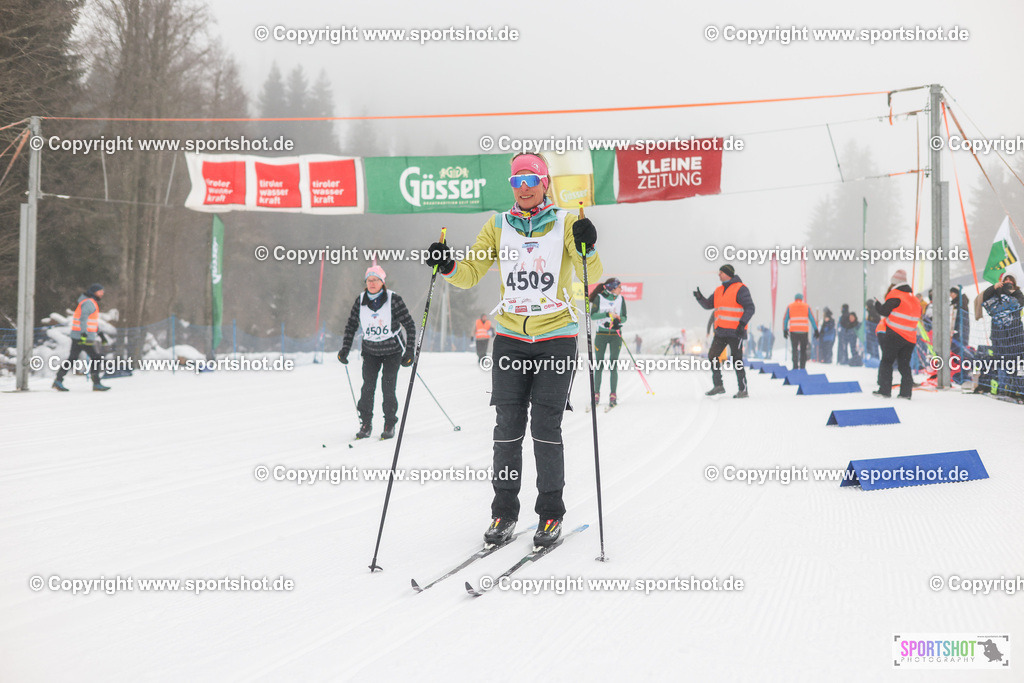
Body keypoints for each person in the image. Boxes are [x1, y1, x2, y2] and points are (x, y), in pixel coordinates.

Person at [423, 152, 602, 549]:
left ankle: (550, 513)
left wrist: (587, 245)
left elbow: (592, 272)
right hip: (510, 339)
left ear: (545, 183)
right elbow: (470, 273)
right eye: (516, 181)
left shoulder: (566, 222)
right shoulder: (497, 225)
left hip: (556, 338)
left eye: (530, 180)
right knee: (506, 429)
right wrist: (447, 265)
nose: (523, 188)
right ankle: (504, 512)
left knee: (545, 427)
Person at [337, 266, 416, 440]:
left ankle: (389, 424)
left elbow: (409, 325)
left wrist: (410, 351)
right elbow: (351, 326)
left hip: (392, 351)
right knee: (367, 388)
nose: (372, 283)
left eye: (375, 280)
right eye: (369, 280)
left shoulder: (393, 299)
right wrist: (345, 349)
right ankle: (366, 424)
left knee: (388, 387)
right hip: (371, 351)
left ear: (382, 282)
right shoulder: (360, 300)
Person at [693, 264, 755, 398]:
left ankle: (743, 389)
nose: (719, 275)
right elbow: (708, 305)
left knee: (737, 360)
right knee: (712, 356)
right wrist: (700, 298)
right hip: (721, 332)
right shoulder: (719, 290)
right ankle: (718, 385)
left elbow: (750, 308)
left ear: (728, 274)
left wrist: (742, 324)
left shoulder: (740, 289)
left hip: (736, 332)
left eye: (721, 272)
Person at [52, 283, 110, 392]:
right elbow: (83, 319)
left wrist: (100, 334)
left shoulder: (89, 302)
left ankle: (58, 380)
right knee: (96, 358)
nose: (102, 293)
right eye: (100, 291)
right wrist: (84, 334)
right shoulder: (89, 303)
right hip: (83, 337)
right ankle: (96, 383)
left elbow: (91, 321)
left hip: (79, 336)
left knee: (73, 358)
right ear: (94, 292)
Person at [873, 269, 921, 399]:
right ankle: (906, 393)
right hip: (910, 338)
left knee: (887, 362)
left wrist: (876, 304)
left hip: (895, 335)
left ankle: (884, 390)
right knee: (904, 365)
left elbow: (884, 311)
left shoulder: (895, 295)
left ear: (894, 282)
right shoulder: (914, 299)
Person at [976, 274, 1024, 399]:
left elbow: (1019, 304)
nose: (1008, 282)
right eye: (1005, 280)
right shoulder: (994, 293)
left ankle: (1017, 390)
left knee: (1017, 363)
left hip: (1015, 335)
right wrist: (994, 288)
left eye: (1010, 280)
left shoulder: (1018, 293)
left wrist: (1004, 296)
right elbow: (985, 299)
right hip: (999, 335)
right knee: (1001, 361)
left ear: (1014, 283)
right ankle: (1003, 389)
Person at [590, 277, 626, 407]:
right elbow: (593, 315)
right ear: (612, 288)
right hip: (601, 334)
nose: (621, 289)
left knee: (613, 365)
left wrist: (618, 320)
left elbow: (624, 317)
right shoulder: (599, 298)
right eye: (619, 287)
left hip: (615, 335)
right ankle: (596, 394)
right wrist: (607, 314)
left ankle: (613, 394)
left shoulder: (621, 299)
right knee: (599, 365)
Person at [782, 293, 819, 370]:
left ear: (795, 298)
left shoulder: (790, 306)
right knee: (803, 350)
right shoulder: (806, 306)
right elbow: (812, 318)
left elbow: (785, 319)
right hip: (804, 332)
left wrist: (785, 330)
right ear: (802, 298)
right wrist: (816, 329)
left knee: (794, 349)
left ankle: (795, 366)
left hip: (793, 331)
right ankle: (802, 367)